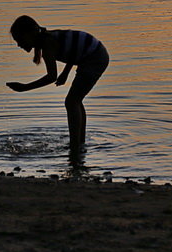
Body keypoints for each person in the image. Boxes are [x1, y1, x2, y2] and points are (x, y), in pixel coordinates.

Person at [6, 15, 110, 153]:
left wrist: (24, 88)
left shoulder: (47, 44)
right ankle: (79, 142)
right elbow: (73, 50)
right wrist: (66, 73)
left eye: (19, 39)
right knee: (76, 101)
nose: (18, 44)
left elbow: (51, 77)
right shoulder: (47, 38)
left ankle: (75, 146)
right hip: (94, 54)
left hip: (95, 57)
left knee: (71, 102)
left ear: (29, 34)